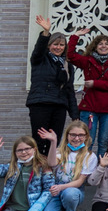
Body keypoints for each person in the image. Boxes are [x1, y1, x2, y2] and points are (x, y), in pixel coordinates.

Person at [66, 27, 108, 154]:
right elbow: (69, 55)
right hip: (89, 109)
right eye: (100, 44)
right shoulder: (88, 61)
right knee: (87, 141)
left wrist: (95, 83)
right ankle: (85, 169)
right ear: (95, 47)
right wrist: (76, 35)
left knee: (104, 142)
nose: (103, 46)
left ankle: (100, 170)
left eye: (106, 44)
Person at [27, 16, 78, 155]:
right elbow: (38, 50)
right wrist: (46, 32)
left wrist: (75, 114)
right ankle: (37, 170)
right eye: (55, 44)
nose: (58, 47)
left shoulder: (68, 66)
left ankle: (48, 170)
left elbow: (70, 90)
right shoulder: (40, 60)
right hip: (41, 104)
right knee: (39, 140)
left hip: (59, 105)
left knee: (54, 141)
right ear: (49, 45)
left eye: (61, 45)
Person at [46, 121, 98, 211]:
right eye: (73, 135)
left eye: (81, 135)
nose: (76, 138)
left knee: (70, 194)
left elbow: (80, 181)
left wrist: (61, 187)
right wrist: (53, 142)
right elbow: (51, 163)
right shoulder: (59, 151)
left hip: (74, 190)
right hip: (55, 191)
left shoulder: (90, 156)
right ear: (67, 136)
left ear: (86, 137)